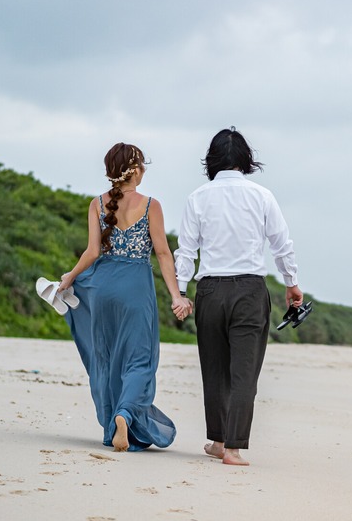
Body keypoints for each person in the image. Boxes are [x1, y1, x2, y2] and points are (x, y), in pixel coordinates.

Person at [173, 127, 302, 467]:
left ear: (213, 161)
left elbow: (185, 250)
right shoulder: (262, 196)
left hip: (211, 289)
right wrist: (291, 283)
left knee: (214, 369)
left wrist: (182, 291)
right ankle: (234, 448)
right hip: (248, 289)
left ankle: (216, 440)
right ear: (246, 160)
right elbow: (281, 244)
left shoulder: (198, 197)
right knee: (244, 373)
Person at [57, 142, 188, 452]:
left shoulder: (97, 204)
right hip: (135, 289)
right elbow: (162, 253)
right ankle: (124, 414)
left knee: (106, 357)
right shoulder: (150, 205)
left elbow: (92, 252)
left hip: (102, 288)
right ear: (137, 171)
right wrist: (176, 296)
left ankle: (112, 421)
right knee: (139, 359)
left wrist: (69, 277)